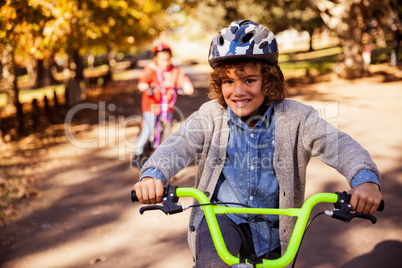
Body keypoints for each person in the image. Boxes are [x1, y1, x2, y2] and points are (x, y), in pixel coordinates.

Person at [133, 20, 382, 267]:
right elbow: (178, 144)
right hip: (222, 219)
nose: (237, 91)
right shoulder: (211, 115)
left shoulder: (296, 118)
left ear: (269, 80)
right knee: (212, 265)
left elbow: (340, 145)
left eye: (249, 80)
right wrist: (153, 175)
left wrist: (366, 181)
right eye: (228, 82)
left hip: (274, 230)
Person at [133, 42, 194, 168]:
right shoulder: (150, 69)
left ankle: (162, 155)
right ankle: (137, 154)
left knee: (168, 130)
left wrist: (187, 86)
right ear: (155, 58)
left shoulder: (175, 71)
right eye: (162, 59)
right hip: (151, 105)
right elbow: (143, 81)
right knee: (148, 128)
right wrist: (144, 86)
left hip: (167, 106)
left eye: (167, 59)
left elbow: (183, 80)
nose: (165, 62)